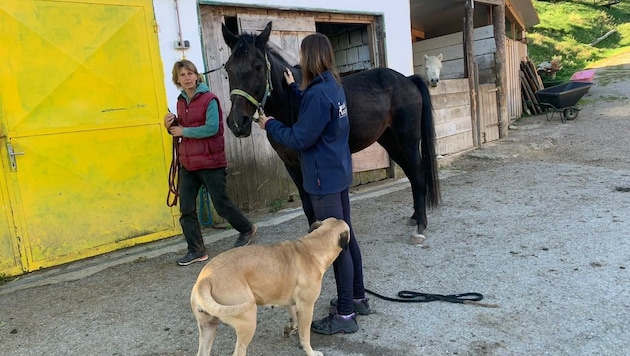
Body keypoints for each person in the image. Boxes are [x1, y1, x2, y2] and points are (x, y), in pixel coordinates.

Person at [257, 33, 371, 335]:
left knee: (335, 246)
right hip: (337, 171)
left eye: (303, 55)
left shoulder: (320, 93)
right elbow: (314, 113)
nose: (301, 60)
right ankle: (357, 298)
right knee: (347, 237)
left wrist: (270, 124)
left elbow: (300, 137)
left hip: (323, 180)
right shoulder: (331, 85)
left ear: (310, 57)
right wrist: (294, 89)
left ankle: (345, 315)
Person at [164, 59, 257, 266]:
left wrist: (184, 131)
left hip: (210, 162)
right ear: (177, 79)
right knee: (186, 208)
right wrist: (170, 125)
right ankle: (196, 250)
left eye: (190, 73)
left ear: (197, 76)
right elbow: (182, 129)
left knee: (221, 205)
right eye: (182, 75)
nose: (187, 78)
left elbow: (212, 128)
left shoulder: (209, 99)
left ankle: (247, 229)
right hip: (188, 163)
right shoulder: (180, 101)